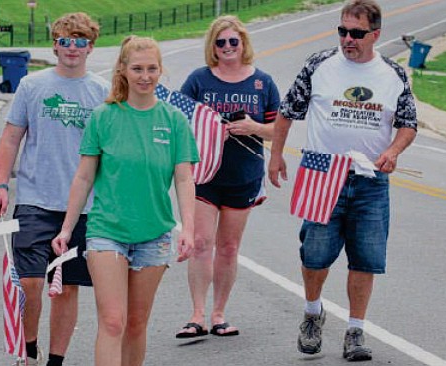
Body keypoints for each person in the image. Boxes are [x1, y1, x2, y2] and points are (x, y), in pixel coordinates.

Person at [268, 0, 417, 361]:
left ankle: (355, 331)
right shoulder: (319, 65)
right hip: (322, 175)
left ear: (375, 35)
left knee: (365, 259)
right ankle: (312, 311)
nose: (348, 39)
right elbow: (287, 114)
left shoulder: (393, 75)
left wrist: (393, 151)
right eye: (343, 31)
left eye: (356, 33)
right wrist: (275, 157)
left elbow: (408, 124)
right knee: (315, 256)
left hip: (369, 181)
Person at [51, 35, 199, 366]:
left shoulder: (174, 120)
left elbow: (184, 178)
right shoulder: (104, 117)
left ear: (161, 71)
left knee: (135, 324)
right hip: (107, 231)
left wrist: (188, 229)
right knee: (113, 321)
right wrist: (66, 228)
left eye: (151, 68)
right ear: (123, 70)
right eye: (137, 69)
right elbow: (84, 177)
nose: (144, 76)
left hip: (154, 233)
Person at [0, 12, 109, 366]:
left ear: (91, 47)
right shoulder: (32, 85)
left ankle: (55, 360)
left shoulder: (101, 92)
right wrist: (1, 185)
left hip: (83, 208)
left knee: (67, 287)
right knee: (30, 283)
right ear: (55, 44)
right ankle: (28, 346)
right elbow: (11, 137)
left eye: (80, 42)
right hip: (34, 200)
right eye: (66, 41)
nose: (72, 48)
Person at [176, 15, 280, 338]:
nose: (227, 47)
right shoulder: (199, 80)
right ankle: (197, 315)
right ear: (213, 47)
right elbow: (180, 122)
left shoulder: (262, 82)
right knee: (201, 242)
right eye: (220, 42)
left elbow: (279, 130)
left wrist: (254, 128)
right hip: (205, 174)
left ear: (243, 43)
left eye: (233, 41)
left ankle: (219, 313)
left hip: (244, 175)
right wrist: (207, 133)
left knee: (229, 247)